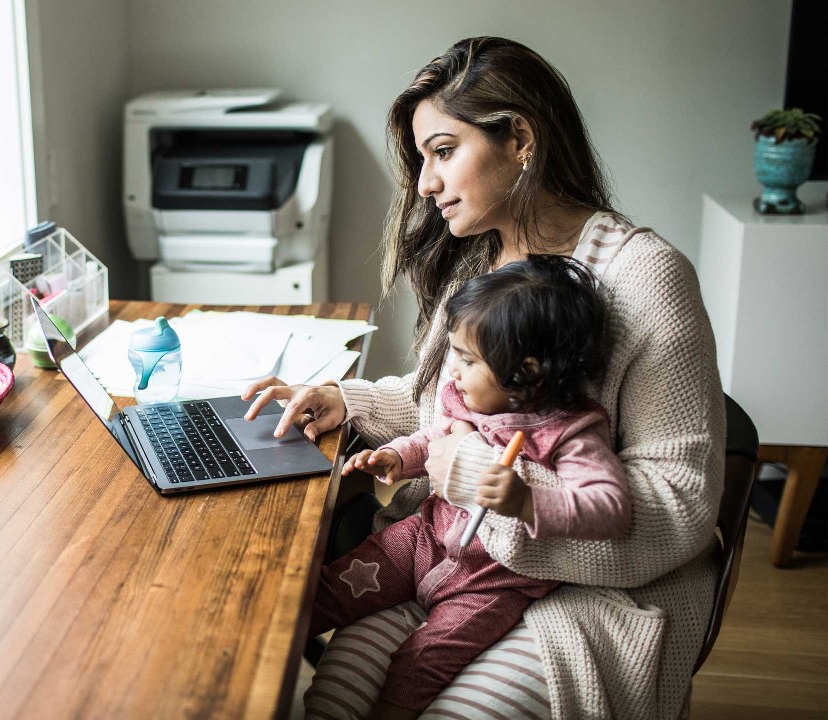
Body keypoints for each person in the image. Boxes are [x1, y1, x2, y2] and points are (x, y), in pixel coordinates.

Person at [243, 36, 723, 720]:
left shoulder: (646, 278)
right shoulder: (484, 261)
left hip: (588, 596)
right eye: (421, 160)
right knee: (336, 697)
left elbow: (682, 504)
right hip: (449, 558)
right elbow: (445, 405)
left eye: (442, 152)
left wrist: (499, 495)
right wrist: (341, 401)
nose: (425, 185)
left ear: (520, 138)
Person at [313, 255, 630, 719]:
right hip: (424, 538)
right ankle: (266, 648)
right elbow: (433, 437)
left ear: (528, 373)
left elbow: (610, 507)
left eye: (466, 359)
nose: (453, 371)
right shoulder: (464, 396)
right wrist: (400, 456)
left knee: (420, 663)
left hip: (492, 585)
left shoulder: (570, 432)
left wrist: (526, 500)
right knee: (335, 586)